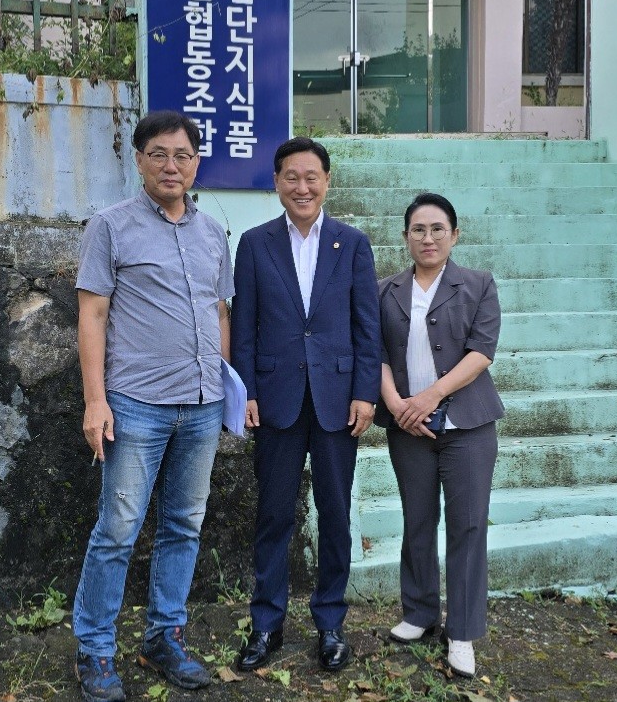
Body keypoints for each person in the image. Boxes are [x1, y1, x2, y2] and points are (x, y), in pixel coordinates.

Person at [73, 111, 234, 702]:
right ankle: (94, 649)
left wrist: (225, 389)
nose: (172, 165)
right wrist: (96, 401)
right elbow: (92, 314)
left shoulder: (212, 231)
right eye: (160, 154)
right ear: (139, 159)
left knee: (184, 525)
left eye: (183, 155)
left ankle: (164, 637)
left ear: (196, 162)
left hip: (201, 405)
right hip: (136, 404)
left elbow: (220, 312)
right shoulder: (110, 226)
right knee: (117, 530)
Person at [231, 136, 381, 672]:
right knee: (273, 514)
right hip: (277, 400)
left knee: (335, 514)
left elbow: (368, 327)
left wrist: (365, 393)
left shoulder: (352, 244)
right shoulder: (254, 244)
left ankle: (331, 624)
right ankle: (266, 624)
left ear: (327, 182)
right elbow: (243, 327)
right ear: (276, 182)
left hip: (338, 401)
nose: (302, 186)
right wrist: (246, 391)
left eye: (311, 177)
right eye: (291, 177)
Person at [376, 192, 504, 679]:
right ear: (405, 236)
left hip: (467, 425)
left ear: (454, 234)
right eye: (418, 229)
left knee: (468, 525)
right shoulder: (385, 289)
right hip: (407, 425)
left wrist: (429, 397)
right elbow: (375, 352)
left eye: (437, 229)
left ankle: (463, 632)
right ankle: (419, 612)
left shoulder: (478, 284)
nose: (427, 238)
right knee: (417, 519)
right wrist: (395, 404)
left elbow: (481, 352)